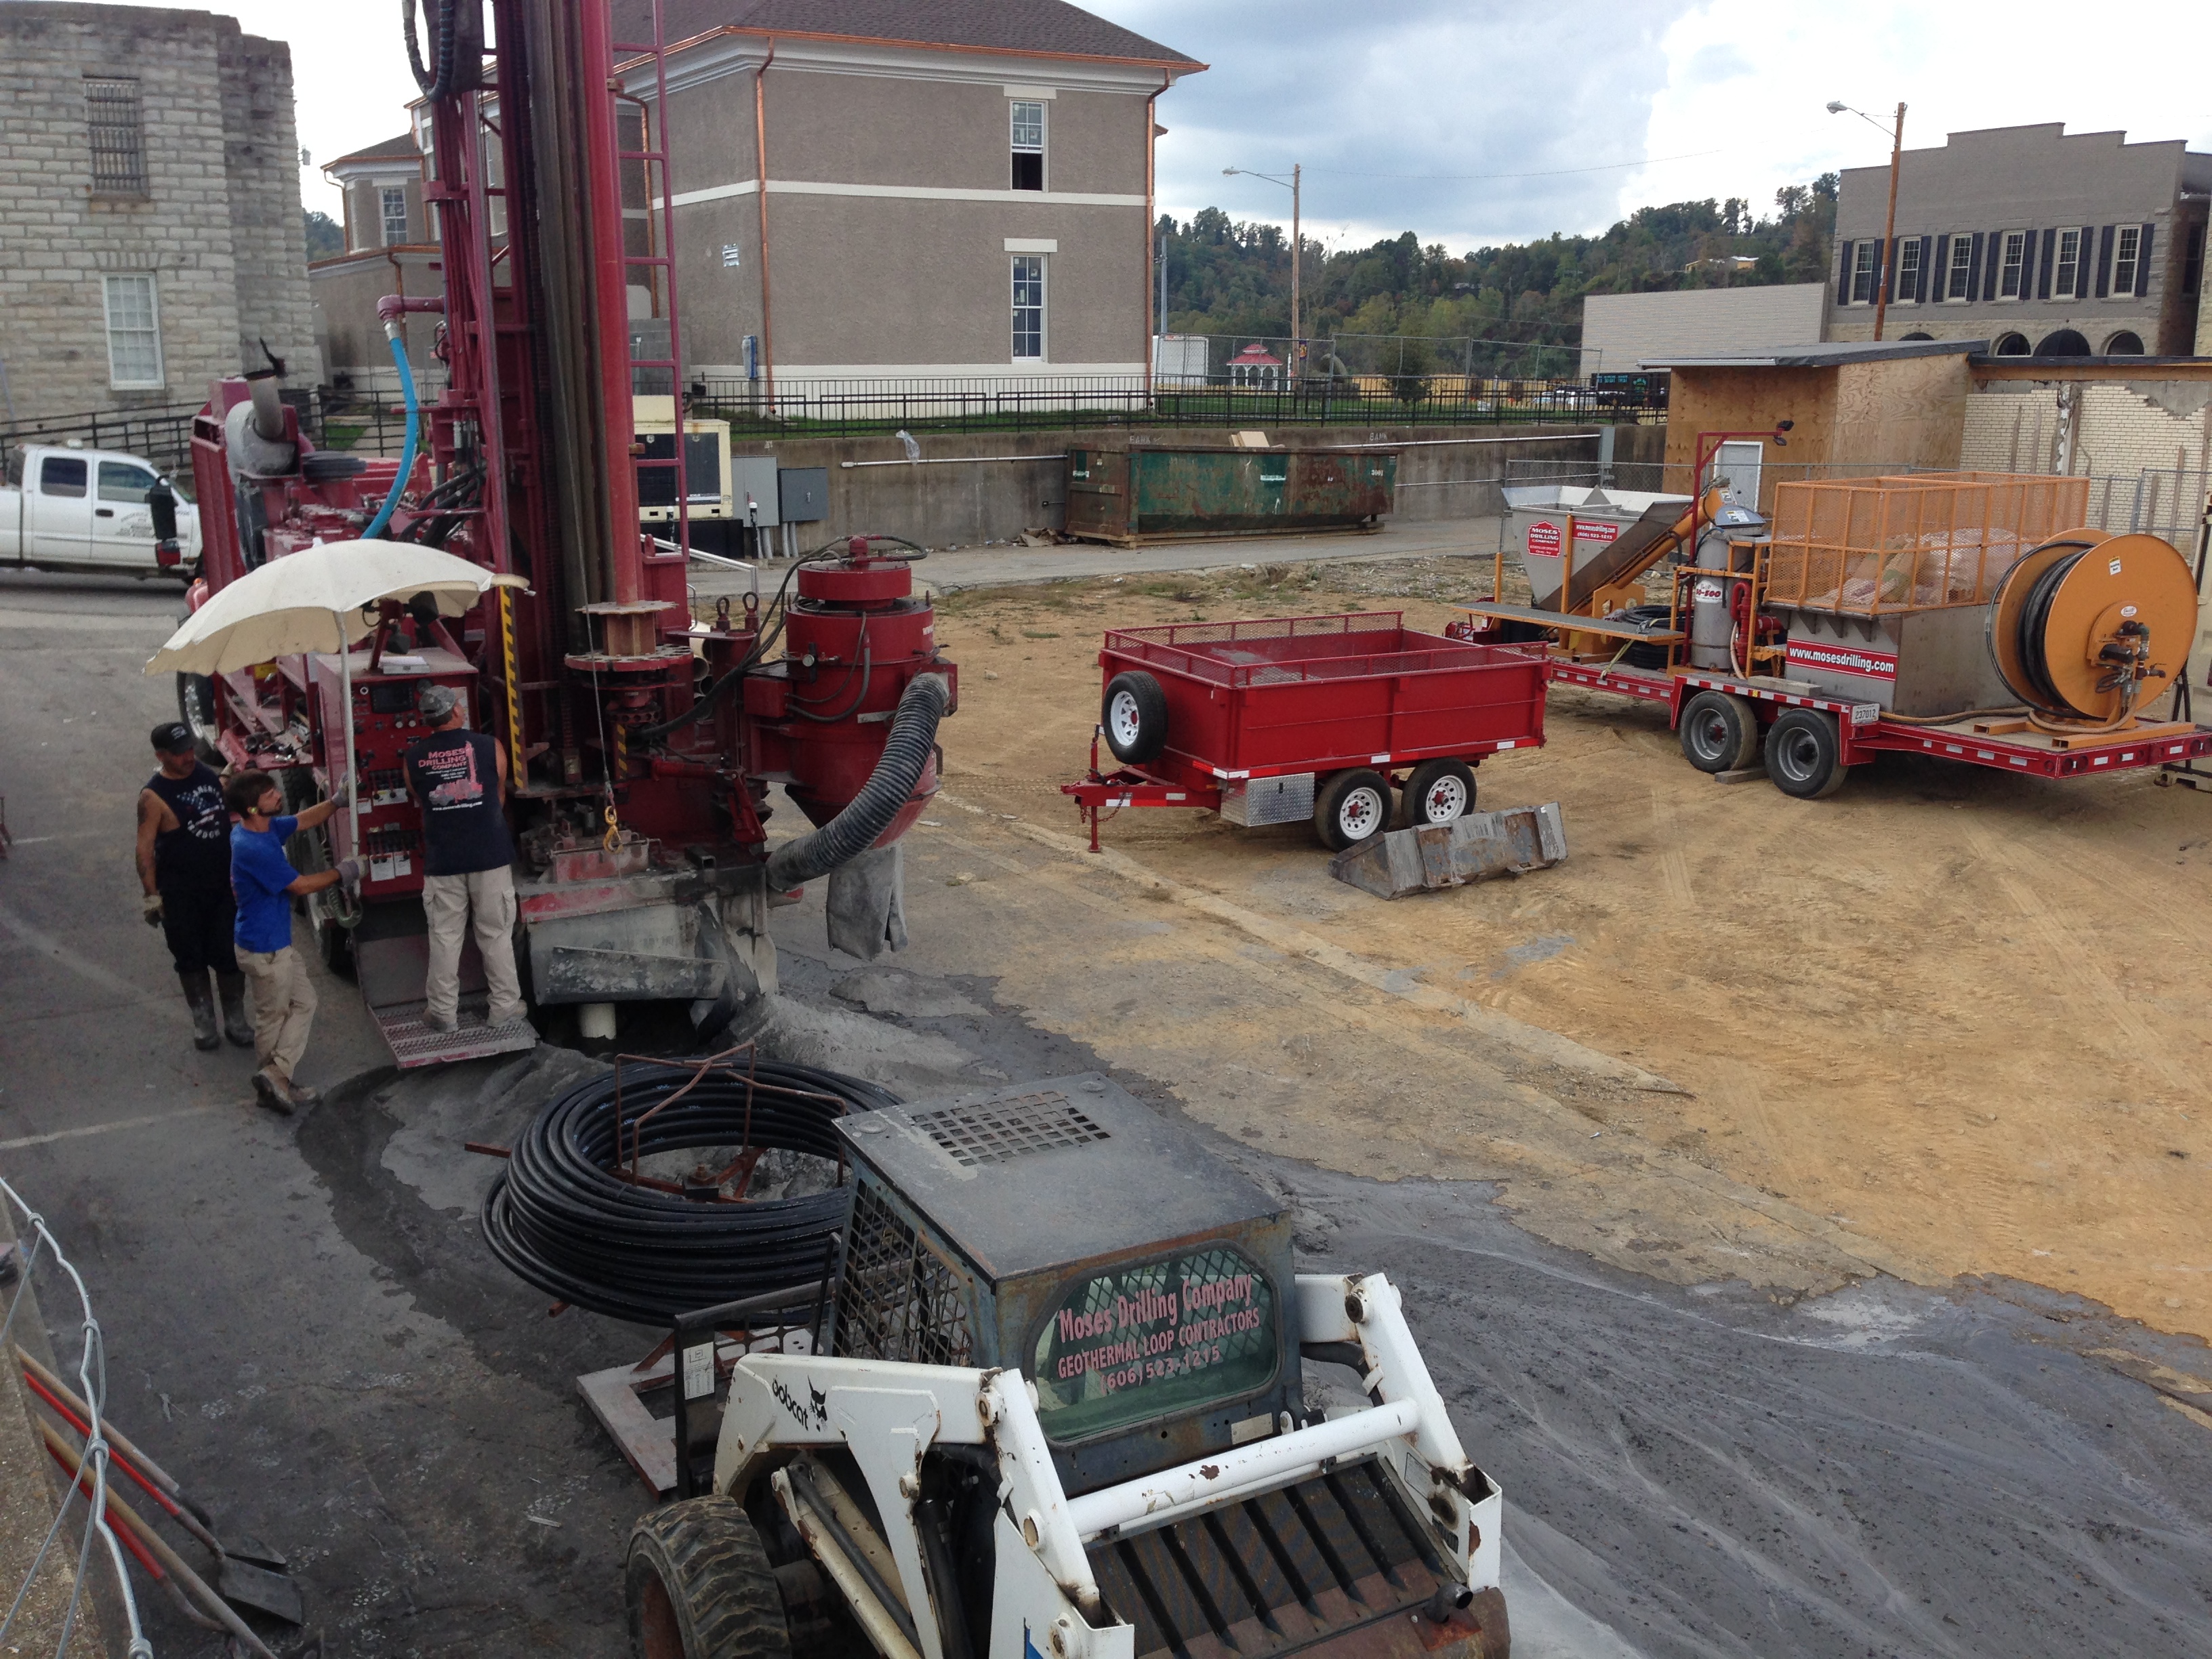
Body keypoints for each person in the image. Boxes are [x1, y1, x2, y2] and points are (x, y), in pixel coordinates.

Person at [225, 771, 357, 1113]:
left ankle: (277, 1075)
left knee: (305, 1002)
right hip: (265, 949)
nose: (277, 795)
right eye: (269, 794)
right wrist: (343, 872)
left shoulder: (262, 828)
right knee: (273, 1016)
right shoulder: (252, 847)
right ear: (253, 809)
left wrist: (336, 802)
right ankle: (272, 1081)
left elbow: (301, 820)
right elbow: (298, 886)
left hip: (275, 944)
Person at [403, 683, 529, 1036]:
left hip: (443, 860)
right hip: (490, 855)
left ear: (427, 720)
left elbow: (419, 798)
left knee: (445, 936)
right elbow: (499, 791)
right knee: (495, 934)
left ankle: (443, 1013)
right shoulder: (491, 747)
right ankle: (504, 1008)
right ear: (458, 711)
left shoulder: (413, 758)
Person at [137, 723, 254, 1052]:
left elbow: (221, 801)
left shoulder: (202, 772)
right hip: (181, 895)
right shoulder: (153, 795)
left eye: (190, 749)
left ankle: (235, 1019)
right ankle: (204, 1021)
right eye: (179, 753)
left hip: (220, 888)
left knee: (229, 956)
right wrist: (151, 895)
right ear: (161, 756)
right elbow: (144, 849)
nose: (188, 756)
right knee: (190, 960)